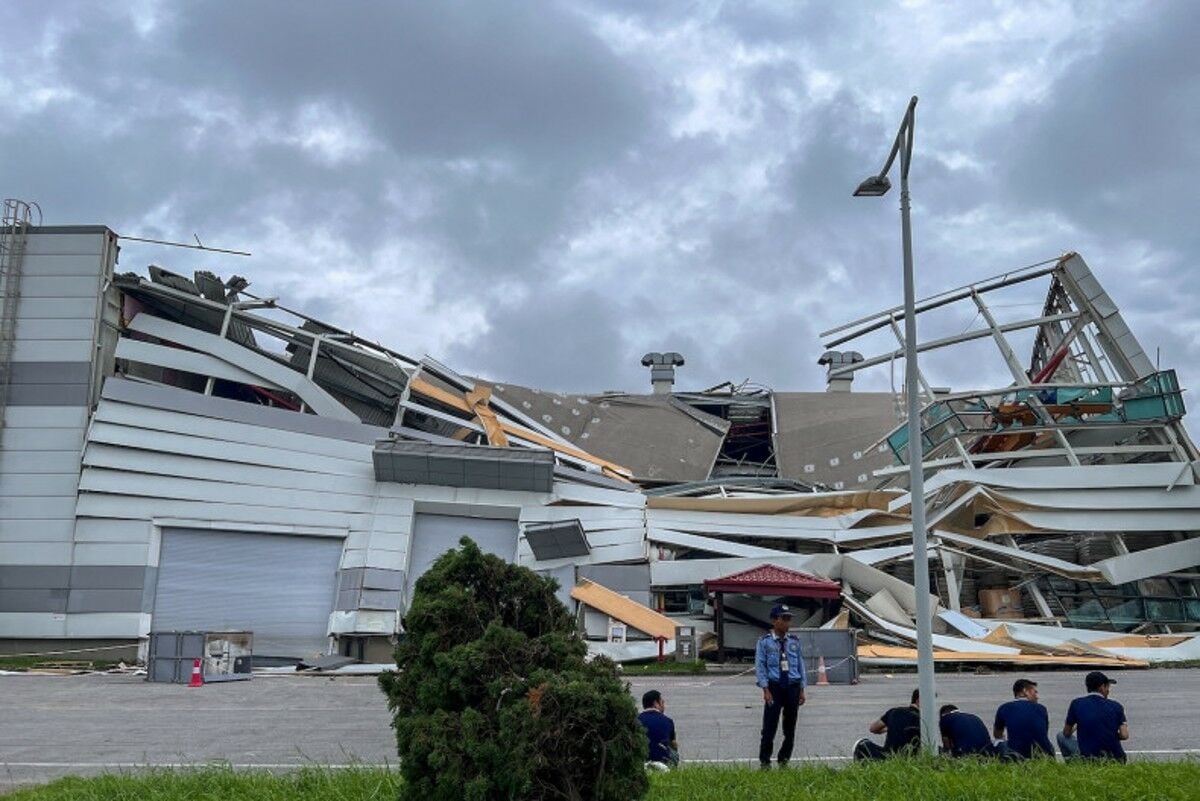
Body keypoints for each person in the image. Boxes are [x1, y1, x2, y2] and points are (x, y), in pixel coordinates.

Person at [755, 604, 807, 768]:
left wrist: (802, 689)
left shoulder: (794, 641)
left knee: (790, 726)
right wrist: (765, 689)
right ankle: (765, 761)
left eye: (789, 619)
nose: (787, 623)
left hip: (792, 686)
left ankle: (784, 759)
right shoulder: (765, 642)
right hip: (775, 686)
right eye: (783, 619)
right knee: (769, 726)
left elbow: (800, 664)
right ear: (774, 620)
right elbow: (760, 666)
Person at [1058, 671, 1129, 762]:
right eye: (1108, 687)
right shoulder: (1116, 706)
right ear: (1102, 687)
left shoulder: (1076, 704)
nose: (1108, 690)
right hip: (1117, 759)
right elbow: (1124, 735)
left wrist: (1079, 725)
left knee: (1060, 736)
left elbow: (1066, 733)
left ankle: (1073, 764)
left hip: (1089, 758)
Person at [993, 678, 1054, 760]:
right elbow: (1043, 732)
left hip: (1017, 755)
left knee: (998, 742)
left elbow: (997, 734)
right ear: (1025, 691)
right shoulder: (1042, 709)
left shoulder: (1004, 708)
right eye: (1034, 692)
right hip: (1044, 755)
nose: (1037, 697)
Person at [853, 689, 921, 760]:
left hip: (887, 756)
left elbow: (873, 728)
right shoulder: (923, 720)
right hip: (911, 758)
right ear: (919, 700)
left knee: (863, 744)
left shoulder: (894, 712)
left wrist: (891, 728)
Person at [637, 689, 679, 768]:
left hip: (641, 761)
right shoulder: (668, 721)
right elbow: (673, 745)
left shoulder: (636, 720)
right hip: (663, 763)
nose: (664, 706)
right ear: (656, 703)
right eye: (662, 702)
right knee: (673, 749)